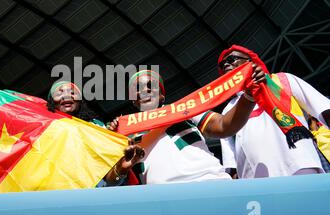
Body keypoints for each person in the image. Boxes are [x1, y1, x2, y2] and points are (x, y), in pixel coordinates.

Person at [108, 67, 266, 185]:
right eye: (137, 88)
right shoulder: (124, 133)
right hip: (165, 204)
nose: (145, 90)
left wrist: (249, 97)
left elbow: (224, 126)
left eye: (151, 85)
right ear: (133, 100)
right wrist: (111, 139)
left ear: (162, 94)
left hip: (212, 183)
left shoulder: (186, 109)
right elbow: (111, 181)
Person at [218, 45, 330, 178]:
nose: (226, 65)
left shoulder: (283, 80)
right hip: (254, 180)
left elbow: (324, 109)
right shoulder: (228, 109)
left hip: (298, 166)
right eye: (222, 64)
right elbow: (231, 163)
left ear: (250, 62)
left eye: (231, 59)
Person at [47, 81, 144, 186]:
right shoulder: (44, 131)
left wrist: (121, 170)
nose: (66, 96)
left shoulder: (97, 127)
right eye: (59, 93)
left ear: (80, 101)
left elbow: (110, 181)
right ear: (51, 102)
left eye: (72, 92)